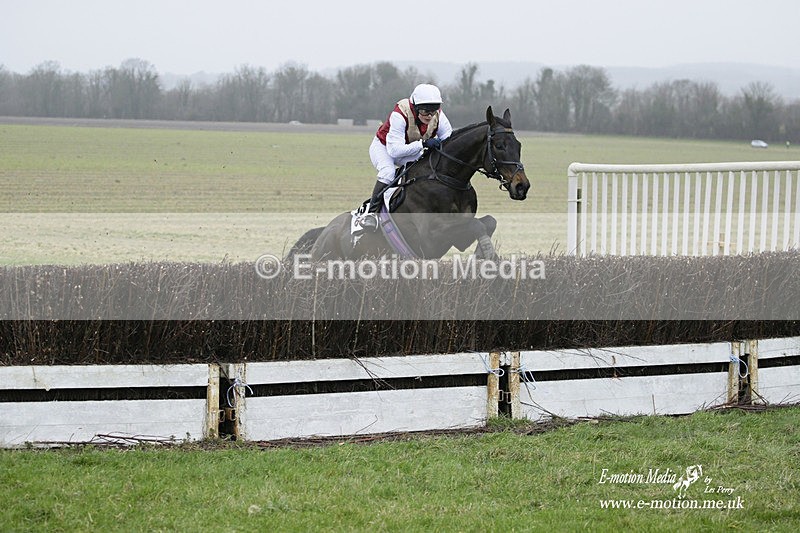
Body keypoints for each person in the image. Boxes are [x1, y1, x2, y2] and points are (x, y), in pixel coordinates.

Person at [360, 83, 453, 230]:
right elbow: (394, 151)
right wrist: (423, 144)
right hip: (384, 147)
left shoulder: (438, 115)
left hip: (409, 149)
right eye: (424, 111)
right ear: (415, 107)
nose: (429, 115)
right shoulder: (399, 114)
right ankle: (371, 214)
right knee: (388, 172)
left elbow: (449, 139)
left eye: (433, 110)